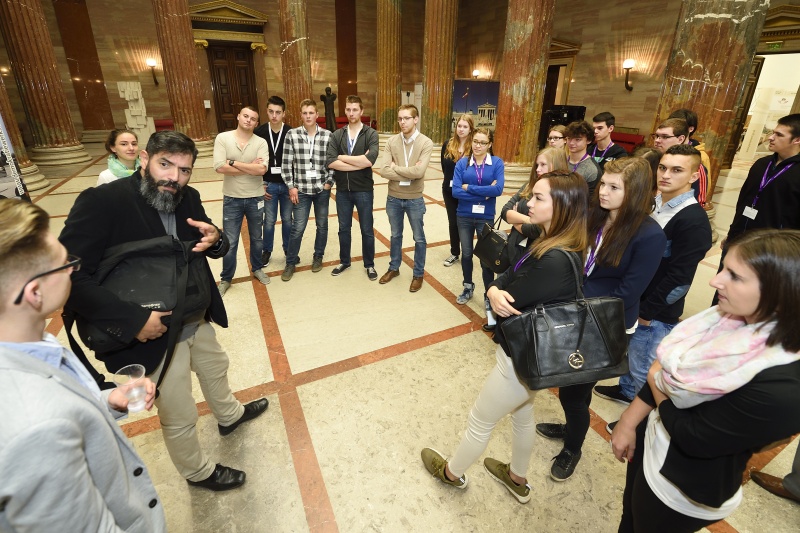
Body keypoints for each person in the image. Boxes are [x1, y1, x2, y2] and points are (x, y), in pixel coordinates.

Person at [60, 131, 269, 492]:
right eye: (165, 165)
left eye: (184, 170)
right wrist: (134, 321)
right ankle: (197, 471)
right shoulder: (103, 202)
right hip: (150, 331)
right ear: (144, 159)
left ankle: (230, 415)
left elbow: (211, 242)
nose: (174, 178)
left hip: (194, 315)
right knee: (178, 409)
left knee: (215, 368)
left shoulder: (189, 197)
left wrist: (217, 239)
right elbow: (69, 277)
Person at [612, 229, 800, 532]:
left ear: (782, 293)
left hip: (680, 489)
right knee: (629, 518)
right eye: (723, 268)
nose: (715, 281)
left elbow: (692, 436)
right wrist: (628, 421)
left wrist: (657, 378)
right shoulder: (726, 317)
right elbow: (669, 370)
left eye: (734, 276)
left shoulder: (784, 388)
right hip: (651, 443)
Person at [420, 171, 589, 504]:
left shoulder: (555, 259)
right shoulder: (553, 240)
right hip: (529, 359)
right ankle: (517, 478)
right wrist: (494, 289)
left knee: (480, 421)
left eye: (539, 198)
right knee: (522, 415)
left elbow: (512, 293)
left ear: (561, 206)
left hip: (519, 362)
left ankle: (451, 474)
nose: (529, 203)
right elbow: (510, 273)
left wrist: (497, 290)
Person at [0, 199, 166, 532]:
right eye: (65, 264)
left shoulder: (27, 348)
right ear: (34, 293)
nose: (73, 270)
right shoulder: (37, 429)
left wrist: (106, 402)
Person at [536, 157, 666, 481]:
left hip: (606, 324)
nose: (603, 192)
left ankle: (573, 447)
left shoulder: (649, 234)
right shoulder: (595, 216)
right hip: (575, 312)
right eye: (603, 184)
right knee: (572, 387)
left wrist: (579, 307)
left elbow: (628, 292)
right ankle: (573, 425)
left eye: (613, 187)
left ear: (635, 192)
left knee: (574, 392)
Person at [594, 145, 712, 414]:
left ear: (694, 176)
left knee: (645, 369)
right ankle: (626, 391)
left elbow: (680, 279)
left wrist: (648, 312)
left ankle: (640, 423)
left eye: (677, 170)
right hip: (638, 298)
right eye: (663, 168)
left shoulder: (693, 220)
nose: (666, 175)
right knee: (632, 357)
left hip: (655, 311)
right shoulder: (656, 203)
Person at [451, 128, 505, 332]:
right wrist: (485, 194)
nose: (478, 145)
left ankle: (489, 294)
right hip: (464, 215)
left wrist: (469, 188)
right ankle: (467, 286)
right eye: (475, 141)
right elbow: (456, 191)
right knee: (466, 253)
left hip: (485, 217)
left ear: (489, 144)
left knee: (486, 259)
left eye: (483, 142)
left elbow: (498, 189)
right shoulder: (462, 163)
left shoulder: (496, 163)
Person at [213, 106, 270, 295]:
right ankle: (226, 278)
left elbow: (261, 170)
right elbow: (219, 167)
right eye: (245, 116)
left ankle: (257, 268)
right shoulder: (223, 138)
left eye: (253, 119)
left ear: (256, 123)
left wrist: (232, 162)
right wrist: (248, 166)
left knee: (257, 238)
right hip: (232, 198)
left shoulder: (261, 142)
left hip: (255, 197)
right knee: (230, 241)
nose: (248, 120)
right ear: (238, 116)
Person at [379, 104, 433, 292]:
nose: (402, 122)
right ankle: (394, 268)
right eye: (400, 118)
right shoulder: (391, 141)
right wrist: (408, 172)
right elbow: (383, 171)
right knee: (395, 235)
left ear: (415, 119)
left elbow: (419, 172)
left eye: (406, 118)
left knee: (419, 238)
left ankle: (418, 274)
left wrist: (396, 168)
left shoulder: (426, 143)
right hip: (393, 198)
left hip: (414, 199)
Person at [326, 95, 380, 280]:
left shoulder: (370, 134)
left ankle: (369, 265)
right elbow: (330, 161)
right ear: (345, 111)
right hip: (342, 191)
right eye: (348, 109)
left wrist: (342, 157)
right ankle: (344, 261)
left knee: (367, 229)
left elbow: (369, 160)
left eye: (355, 109)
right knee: (344, 229)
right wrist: (359, 163)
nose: (351, 113)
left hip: (364, 190)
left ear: (361, 111)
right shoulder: (337, 135)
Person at [280, 99, 333, 281]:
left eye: (311, 113)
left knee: (322, 225)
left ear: (317, 115)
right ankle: (290, 262)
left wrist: (329, 183)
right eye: (305, 113)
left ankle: (318, 256)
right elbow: (286, 164)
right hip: (301, 190)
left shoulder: (327, 135)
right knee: (298, 227)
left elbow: (332, 162)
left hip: (321, 189)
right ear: (301, 115)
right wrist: (291, 186)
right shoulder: (292, 135)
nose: (308, 116)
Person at [501, 147, 568, 271]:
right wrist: (528, 220)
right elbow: (505, 211)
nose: (538, 169)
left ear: (556, 165)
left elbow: (535, 230)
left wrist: (515, 219)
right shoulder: (528, 185)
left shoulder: (560, 195)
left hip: (533, 256)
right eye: (537, 165)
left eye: (543, 165)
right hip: (512, 249)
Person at [253, 96, 293, 268]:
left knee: (287, 219)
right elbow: (254, 161)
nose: (274, 116)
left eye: (278, 112)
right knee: (268, 220)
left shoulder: (291, 132)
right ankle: (267, 251)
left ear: (284, 113)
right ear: (267, 112)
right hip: (268, 184)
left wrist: (293, 185)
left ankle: (289, 250)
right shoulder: (259, 132)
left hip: (287, 184)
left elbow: (296, 161)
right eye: (271, 112)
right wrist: (260, 184)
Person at [440, 113, 474, 268]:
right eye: (459, 126)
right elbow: (444, 166)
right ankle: (455, 252)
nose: (461, 129)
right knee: (453, 222)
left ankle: (468, 253)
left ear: (470, 129)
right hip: (449, 190)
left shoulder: (474, 147)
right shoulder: (448, 144)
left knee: (466, 222)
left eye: (465, 127)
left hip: (467, 191)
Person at [655, 116, 708, 206]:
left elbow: (699, 201)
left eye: (665, 137)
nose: (657, 140)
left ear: (680, 139)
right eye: (657, 136)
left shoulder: (696, 165)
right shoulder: (653, 157)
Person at [565, 121, 602, 195]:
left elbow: (590, 199)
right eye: (569, 138)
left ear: (588, 140)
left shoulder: (592, 170)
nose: (571, 143)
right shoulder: (561, 160)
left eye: (577, 139)